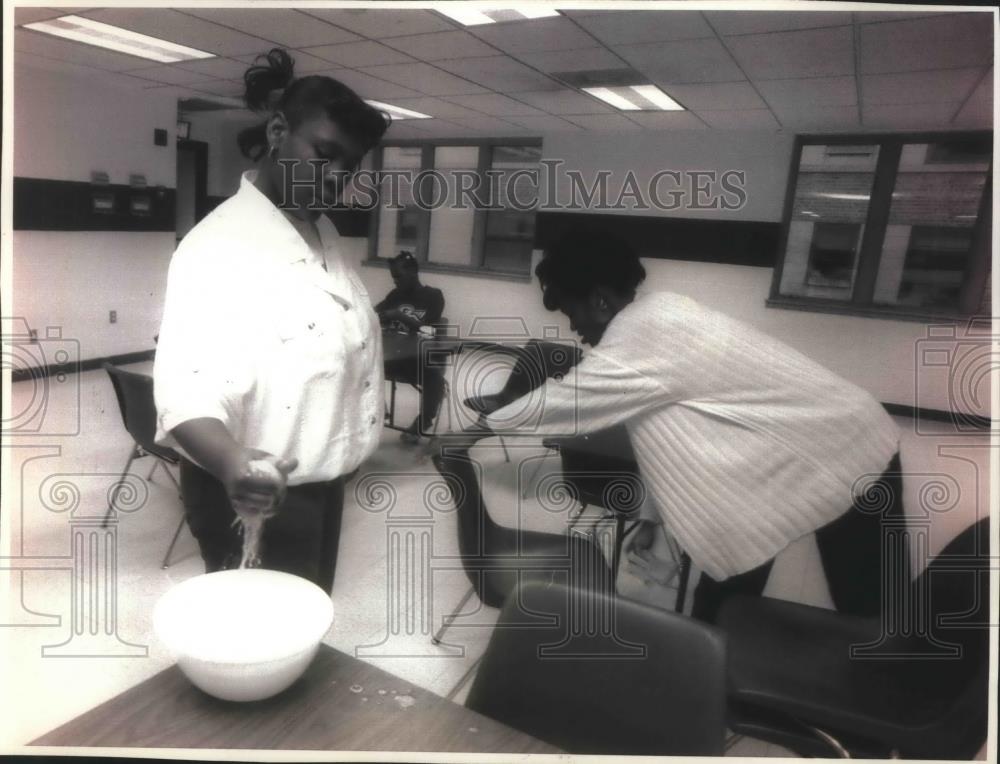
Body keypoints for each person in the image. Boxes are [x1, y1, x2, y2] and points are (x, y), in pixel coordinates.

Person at [466, 229, 904, 623]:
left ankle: (885, 700)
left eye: (570, 311)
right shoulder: (660, 314)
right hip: (807, 453)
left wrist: (473, 429)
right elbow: (661, 440)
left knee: (873, 614)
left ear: (600, 300)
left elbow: (562, 403)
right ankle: (712, 674)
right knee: (732, 575)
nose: (573, 327)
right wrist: (652, 518)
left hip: (851, 445)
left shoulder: (642, 334)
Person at [153, 48, 390, 593]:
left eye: (349, 168)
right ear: (279, 130)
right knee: (256, 648)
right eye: (325, 154)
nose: (336, 179)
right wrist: (235, 462)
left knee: (303, 626)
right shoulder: (215, 249)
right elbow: (185, 396)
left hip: (319, 488)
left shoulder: (321, 233)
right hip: (251, 490)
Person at [375, 251, 446, 444]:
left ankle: (423, 422)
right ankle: (377, 410)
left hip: (418, 359)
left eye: (399, 277)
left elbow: (428, 330)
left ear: (413, 272)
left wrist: (399, 316)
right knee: (362, 365)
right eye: (393, 277)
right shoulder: (395, 295)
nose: (395, 282)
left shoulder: (433, 296)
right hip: (396, 356)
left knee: (434, 376)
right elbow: (373, 313)